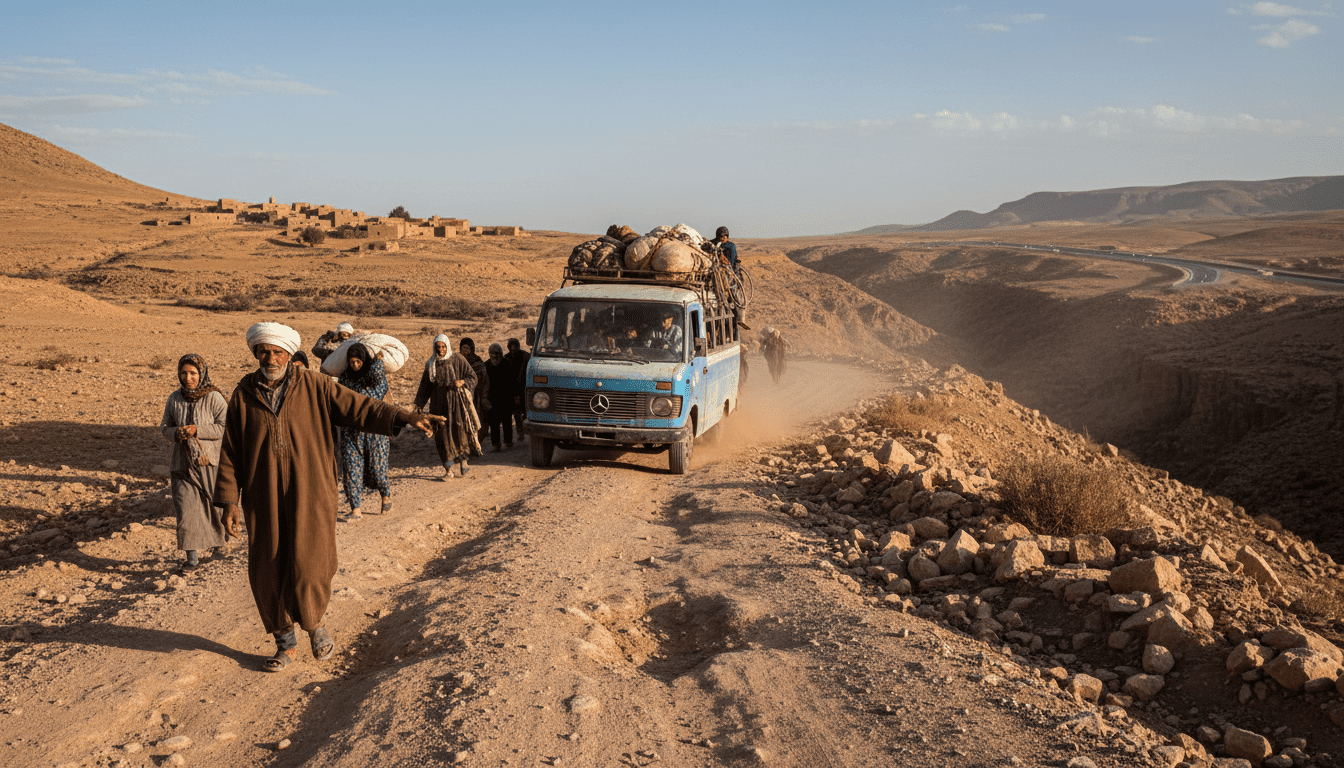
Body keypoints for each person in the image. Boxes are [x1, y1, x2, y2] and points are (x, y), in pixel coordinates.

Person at [215, 322, 442, 673]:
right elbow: (230, 451)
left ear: (290, 354)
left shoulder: (316, 386)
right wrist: (229, 500)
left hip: (312, 488)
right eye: (264, 351)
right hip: (263, 494)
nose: (271, 357)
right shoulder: (244, 394)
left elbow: (363, 408)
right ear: (256, 353)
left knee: (311, 562)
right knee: (267, 566)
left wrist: (405, 416)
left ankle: (315, 625)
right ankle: (284, 642)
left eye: (277, 352)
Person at [159, 353, 229, 570]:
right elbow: (164, 428)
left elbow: (225, 427)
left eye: (193, 373)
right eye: (184, 373)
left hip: (208, 462)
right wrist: (175, 433)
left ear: (202, 373)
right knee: (185, 509)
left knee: (213, 506)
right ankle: (192, 559)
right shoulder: (174, 398)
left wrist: (197, 430)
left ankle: (219, 545)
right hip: (182, 464)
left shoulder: (214, 397)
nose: (188, 377)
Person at [336, 343, 392, 521]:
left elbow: (378, 392)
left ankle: (385, 496)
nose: (355, 365)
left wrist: (377, 363)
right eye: (351, 362)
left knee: (377, 469)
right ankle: (356, 508)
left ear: (364, 360)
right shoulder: (345, 378)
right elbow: (339, 397)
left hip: (375, 432)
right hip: (351, 432)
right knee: (351, 469)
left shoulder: (375, 377)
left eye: (358, 362)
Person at [415, 334, 481, 478]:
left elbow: (472, 376)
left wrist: (462, 382)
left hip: (456, 404)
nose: (440, 350)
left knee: (459, 432)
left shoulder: (458, 359)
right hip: (437, 407)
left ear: (447, 346)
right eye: (437, 347)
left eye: (443, 346)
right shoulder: (431, 364)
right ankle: (448, 470)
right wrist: (419, 405)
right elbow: (424, 387)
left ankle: (464, 461)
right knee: (441, 437)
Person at [483, 343, 515, 451]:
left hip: (506, 398)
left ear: (500, 353)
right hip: (493, 399)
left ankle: (508, 442)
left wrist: (515, 396)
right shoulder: (487, 365)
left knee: (507, 422)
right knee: (494, 423)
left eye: (496, 353)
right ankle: (496, 444)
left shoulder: (507, 364)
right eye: (491, 354)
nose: (494, 356)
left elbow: (513, 382)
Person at [459, 337, 489, 427]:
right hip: (462, 395)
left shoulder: (477, 361)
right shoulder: (458, 361)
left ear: (472, 349)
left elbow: (485, 379)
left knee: (477, 419)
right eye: (463, 348)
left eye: (467, 348)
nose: (465, 351)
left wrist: (484, 395)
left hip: (477, 395)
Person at [503, 338, 530, 437]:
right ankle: (520, 433)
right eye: (511, 347)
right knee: (517, 413)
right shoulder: (506, 359)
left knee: (525, 412)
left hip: (525, 390)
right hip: (513, 390)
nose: (513, 349)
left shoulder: (526, 357)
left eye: (515, 346)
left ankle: (523, 430)